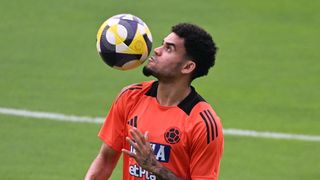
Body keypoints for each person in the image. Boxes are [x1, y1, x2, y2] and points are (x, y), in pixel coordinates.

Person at [85, 23, 224, 180]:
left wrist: (155, 167)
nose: (157, 50)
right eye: (162, 44)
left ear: (187, 67)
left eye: (169, 48)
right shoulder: (130, 97)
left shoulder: (203, 124)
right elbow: (105, 160)